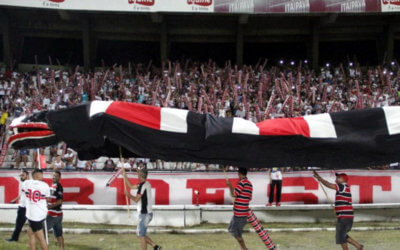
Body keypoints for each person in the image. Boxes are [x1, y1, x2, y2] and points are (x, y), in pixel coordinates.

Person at [313, 171, 363, 250]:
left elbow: (327, 184)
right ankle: (358, 246)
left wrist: (319, 178)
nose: (336, 179)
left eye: (338, 177)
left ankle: (357, 246)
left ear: (343, 179)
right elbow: (343, 202)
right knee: (342, 234)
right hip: (347, 216)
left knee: (340, 235)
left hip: (345, 216)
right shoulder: (345, 187)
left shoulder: (342, 186)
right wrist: (337, 210)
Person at [123, 169, 162, 250]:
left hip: (145, 214)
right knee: (139, 234)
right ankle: (155, 246)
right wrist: (125, 177)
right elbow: (130, 186)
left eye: (138, 174)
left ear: (140, 176)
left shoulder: (142, 186)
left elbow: (136, 199)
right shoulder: (145, 184)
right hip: (146, 214)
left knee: (141, 236)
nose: (137, 175)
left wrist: (128, 195)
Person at [22, 169, 50, 250]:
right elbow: (48, 199)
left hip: (32, 213)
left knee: (39, 237)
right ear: (37, 176)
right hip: (39, 214)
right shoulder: (45, 185)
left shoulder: (26, 183)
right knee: (31, 233)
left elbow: (25, 184)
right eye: (41, 175)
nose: (43, 176)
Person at [226, 167, 253, 250]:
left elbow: (234, 194)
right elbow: (249, 198)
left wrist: (229, 185)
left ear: (239, 173)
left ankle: (244, 248)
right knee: (231, 229)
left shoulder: (242, 183)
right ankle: (243, 248)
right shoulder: (250, 184)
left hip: (239, 214)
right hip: (241, 212)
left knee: (235, 232)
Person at [6, 170, 29, 242]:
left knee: (19, 223)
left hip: (25, 207)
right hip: (24, 206)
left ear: (27, 175)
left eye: (23, 175)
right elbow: (21, 195)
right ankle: (14, 238)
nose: (21, 177)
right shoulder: (24, 183)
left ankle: (14, 238)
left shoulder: (27, 183)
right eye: (21, 175)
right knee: (19, 223)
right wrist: (14, 200)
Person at [46, 171, 64, 250]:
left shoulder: (58, 186)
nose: (54, 177)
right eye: (53, 175)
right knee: (58, 234)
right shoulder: (52, 186)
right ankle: (62, 248)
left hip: (53, 214)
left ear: (59, 178)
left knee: (41, 231)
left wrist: (49, 207)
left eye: (56, 176)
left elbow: (60, 201)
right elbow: (51, 198)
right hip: (56, 214)